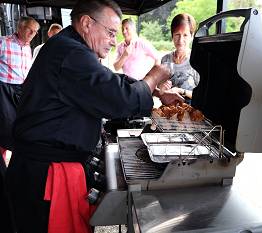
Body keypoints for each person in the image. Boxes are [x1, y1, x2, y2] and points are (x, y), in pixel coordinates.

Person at [5, 0, 182, 232]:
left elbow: (105, 79)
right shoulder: (70, 52)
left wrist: (156, 92)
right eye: (110, 32)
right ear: (87, 23)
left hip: (44, 167)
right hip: (47, 174)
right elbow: (120, 99)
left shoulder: (69, 47)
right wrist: (155, 75)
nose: (114, 40)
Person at [0, 16, 39, 153]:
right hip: (5, 89)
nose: (32, 34)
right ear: (20, 28)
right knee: (6, 127)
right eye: (29, 30)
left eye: (35, 32)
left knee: (22, 125)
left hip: (22, 89)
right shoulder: (3, 42)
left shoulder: (28, 47)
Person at [160, 13, 200, 101]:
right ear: (172, 36)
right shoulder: (165, 59)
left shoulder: (197, 60)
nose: (180, 40)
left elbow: (202, 94)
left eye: (185, 35)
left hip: (191, 111)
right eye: (177, 34)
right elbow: (160, 91)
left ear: (192, 36)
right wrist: (162, 89)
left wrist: (181, 91)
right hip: (168, 111)